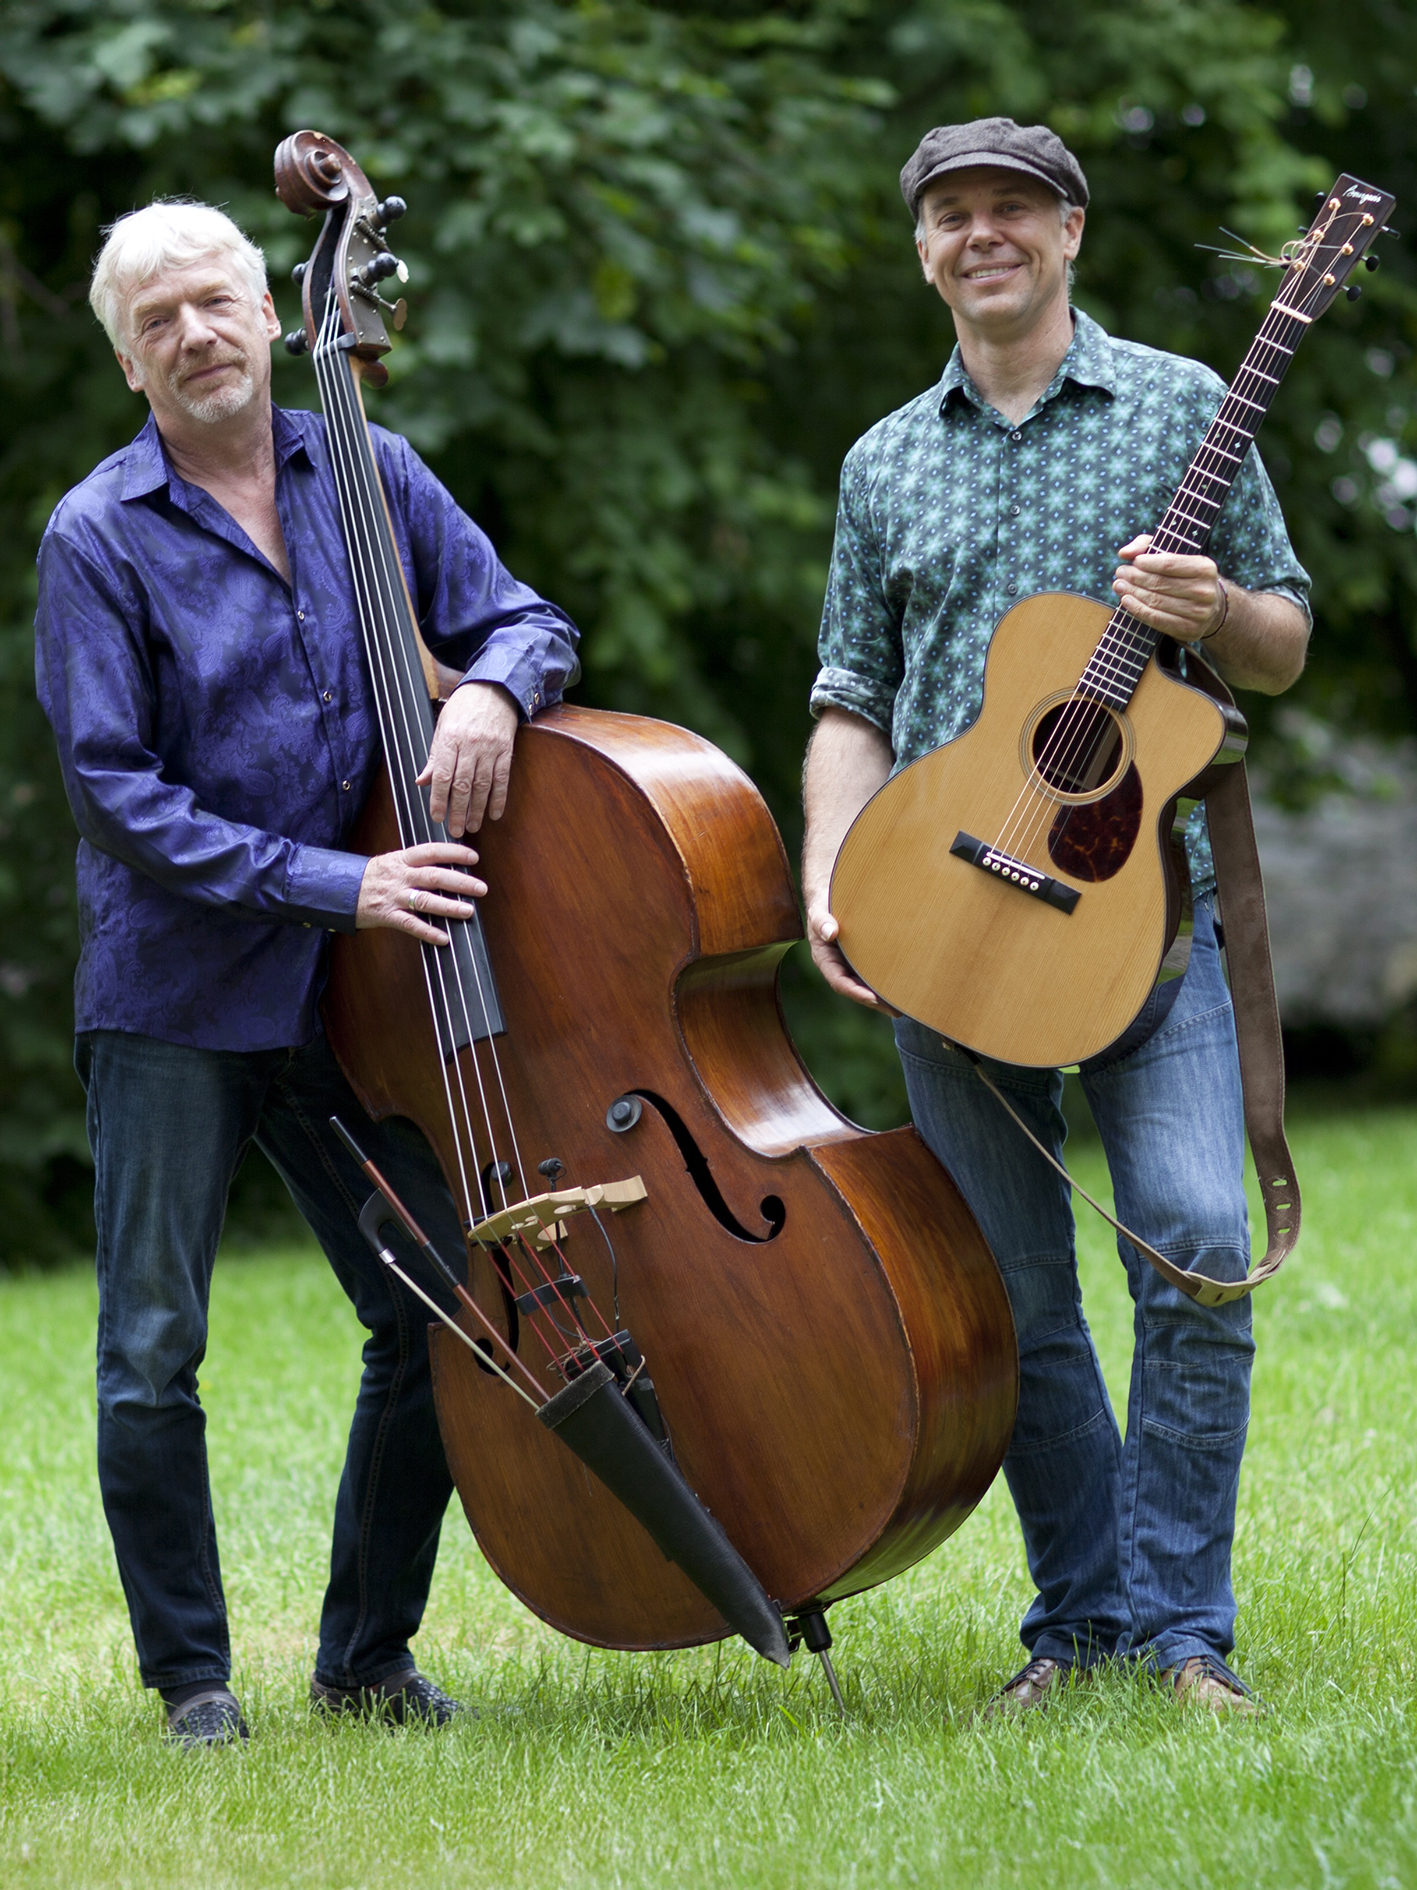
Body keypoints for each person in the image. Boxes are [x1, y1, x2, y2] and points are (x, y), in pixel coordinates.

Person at [35, 202, 579, 1746]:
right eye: (156, 322)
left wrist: (492, 693)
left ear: (271, 313)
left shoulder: (371, 469)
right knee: (153, 1348)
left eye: (214, 302)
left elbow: (526, 620)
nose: (193, 335)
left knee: (443, 1301)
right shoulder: (96, 535)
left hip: (353, 999)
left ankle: (363, 1659)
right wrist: (341, 884)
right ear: (129, 363)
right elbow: (112, 792)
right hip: (178, 994)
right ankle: (193, 1682)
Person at [801, 119, 1311, 1714]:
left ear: (1070, 231)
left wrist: (1212, 609)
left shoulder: (1179, 404)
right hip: (944, 916)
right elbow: (849, 695)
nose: (983, 234)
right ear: (922, 251)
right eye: (951, 214)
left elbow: (1282, 637)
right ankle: (1081, 1619)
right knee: (1011, 1296)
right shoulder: (882, 459)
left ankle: (1182, 1629)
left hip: (1144, 920)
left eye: (1013, 208)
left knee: (1199, 1238)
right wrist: (828, 865)